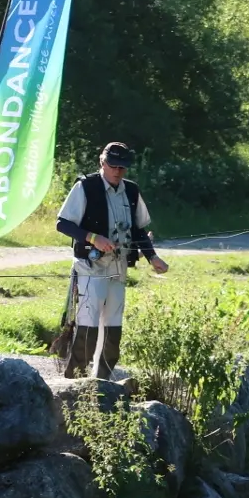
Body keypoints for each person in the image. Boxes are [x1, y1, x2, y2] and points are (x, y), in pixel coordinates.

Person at [55, 142, 169, 379]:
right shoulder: (85, 187)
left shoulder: (132, 190)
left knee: (113, 328)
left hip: (119, 269)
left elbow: (138, 230)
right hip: (90, 267)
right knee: (88, 325)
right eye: (113, 165)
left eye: (122, 167)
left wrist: (152, 256)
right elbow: (62, 223)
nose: (117, 171)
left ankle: (101, 381)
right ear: (102, 162)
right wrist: (93, 238)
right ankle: (74, 382)